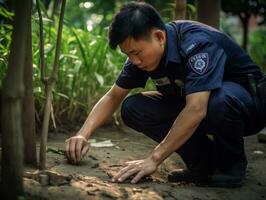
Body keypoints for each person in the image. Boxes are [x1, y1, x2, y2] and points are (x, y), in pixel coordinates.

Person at [65, 2, 266, 187]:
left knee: (217, 101)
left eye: (136, 52)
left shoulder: (197, 44)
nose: (134, 60)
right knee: (134, 107)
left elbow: (196, 108)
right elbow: (113, 96)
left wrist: (153, 159)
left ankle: (231, 166)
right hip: (200, 105)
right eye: (128, 55)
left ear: (160, 37)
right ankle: (203, 164)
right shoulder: (143, 55)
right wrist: (82, 134)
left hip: (246, 106)